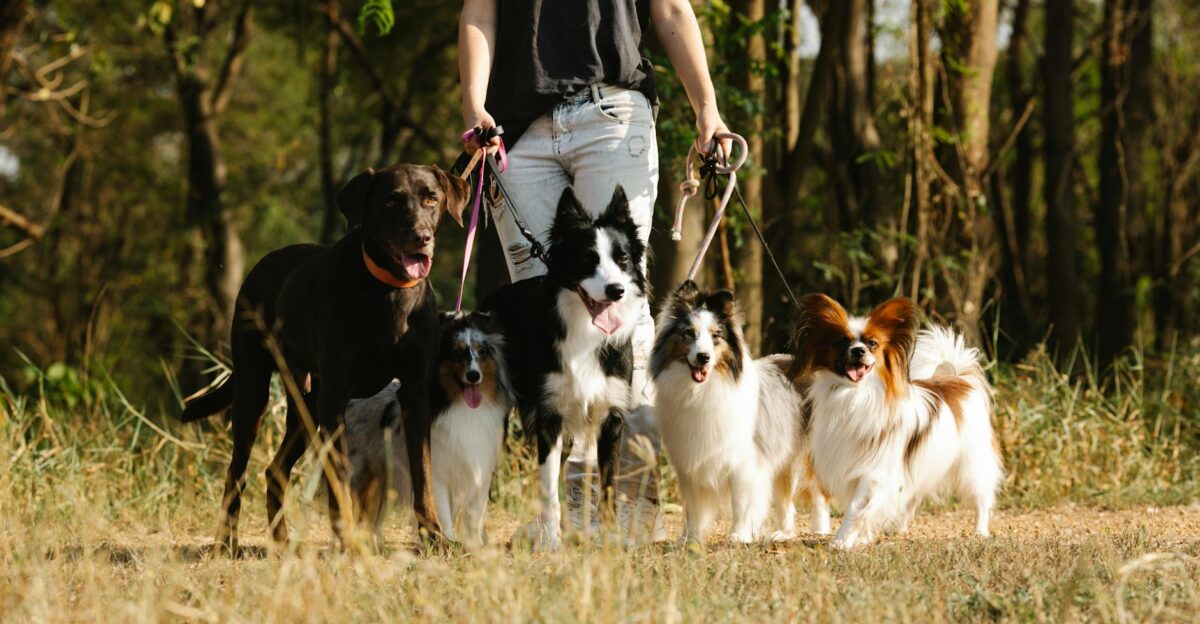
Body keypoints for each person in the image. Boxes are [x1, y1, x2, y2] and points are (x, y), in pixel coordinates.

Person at [459, 0, 733, 544]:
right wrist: (473, 106)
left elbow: (672, 10)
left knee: (623, 317)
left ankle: (629, 503)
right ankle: (565, 515)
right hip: (516, 131)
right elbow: (479, 15)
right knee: (548, 328)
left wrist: (708, 110)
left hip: (613, 115)